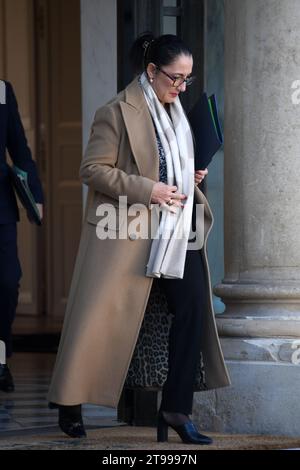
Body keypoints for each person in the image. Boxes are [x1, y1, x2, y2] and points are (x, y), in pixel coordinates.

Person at [47, 33, 230, 444]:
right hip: (124, 228)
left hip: (176, 231)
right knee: (96, 319)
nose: (181, 87)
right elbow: (92, 169)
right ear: (151, 71)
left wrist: (191, 176)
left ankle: (176, 409)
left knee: (193, 309)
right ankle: (70, 399)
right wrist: (149, 189)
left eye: (188, 79)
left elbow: (173, 167)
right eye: (175, 78)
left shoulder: (178, 112)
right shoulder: (115, 110)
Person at [0, 80, 44, 392]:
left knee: (6, 280)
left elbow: (21, 152)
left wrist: (35, 196)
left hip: (0, 207)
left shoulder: (2, 91)